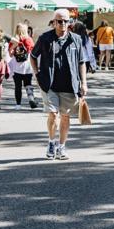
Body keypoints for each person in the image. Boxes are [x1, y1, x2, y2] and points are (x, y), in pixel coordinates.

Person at [30, 9, 91, 160]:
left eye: (65, 21)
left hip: (70, 85)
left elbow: (82, 62)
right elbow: (32, 56)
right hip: (49, 84)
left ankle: (62, 147)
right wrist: (37, 74)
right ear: (54, 22)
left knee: (65, 117)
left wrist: (84, 82)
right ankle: (51, 143)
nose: (62, 24)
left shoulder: (76, 39)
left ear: (69, 22)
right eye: (59, 21)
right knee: (53, 113)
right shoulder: (45, 38)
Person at [8, 23, 37, 110]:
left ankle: (18, 105)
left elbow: (10, 54)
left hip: (17, 66)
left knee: (18, 86)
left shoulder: (14, 40)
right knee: (28, 84)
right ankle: (31, 98)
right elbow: (33, 52)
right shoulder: (29, 39)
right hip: (27, 65)